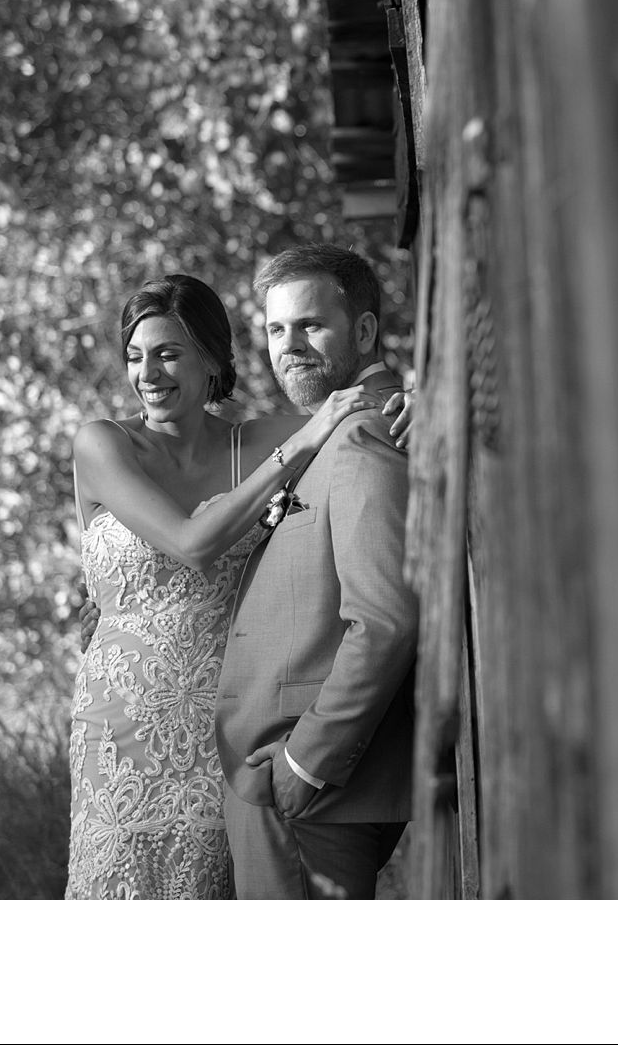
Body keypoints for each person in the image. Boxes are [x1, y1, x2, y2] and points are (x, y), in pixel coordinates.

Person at [64, 273, 407, 900]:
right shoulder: (102, 443)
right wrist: (302, 441)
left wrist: (421, 402)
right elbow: (193, 545)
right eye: (136, 356)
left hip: (224, 721)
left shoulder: (255, 441)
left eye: (168, 353)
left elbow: (367, 410)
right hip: (123, 727)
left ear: (212, 360)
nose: (148, 373)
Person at [215, 244, 421, 900]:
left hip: (311, 794)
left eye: (310, 325)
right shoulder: (338, 433)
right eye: (276, 329)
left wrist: (305, 763)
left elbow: (386, 620)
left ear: (364, 330)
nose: (288, 344)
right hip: (296, 794)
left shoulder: (366, 432)